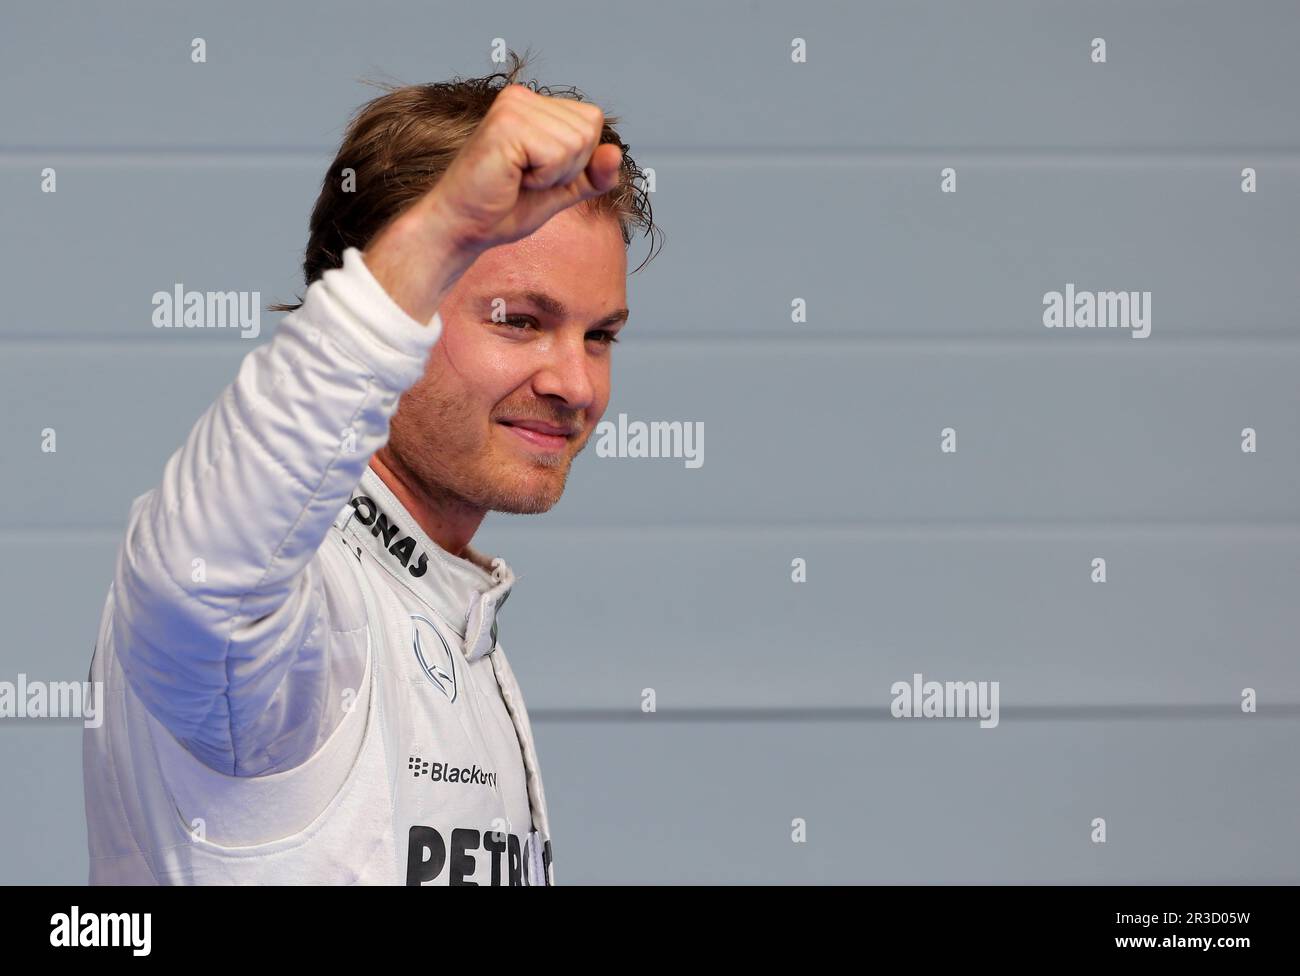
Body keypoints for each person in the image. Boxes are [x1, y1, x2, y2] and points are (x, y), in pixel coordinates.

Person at [82, 52, 661, 885]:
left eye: (599, 335)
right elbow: (194, 583)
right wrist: (441, 229)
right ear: (389, 304)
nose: (574, 383)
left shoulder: (445, 610)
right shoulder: (309, 612)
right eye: (520, 320)